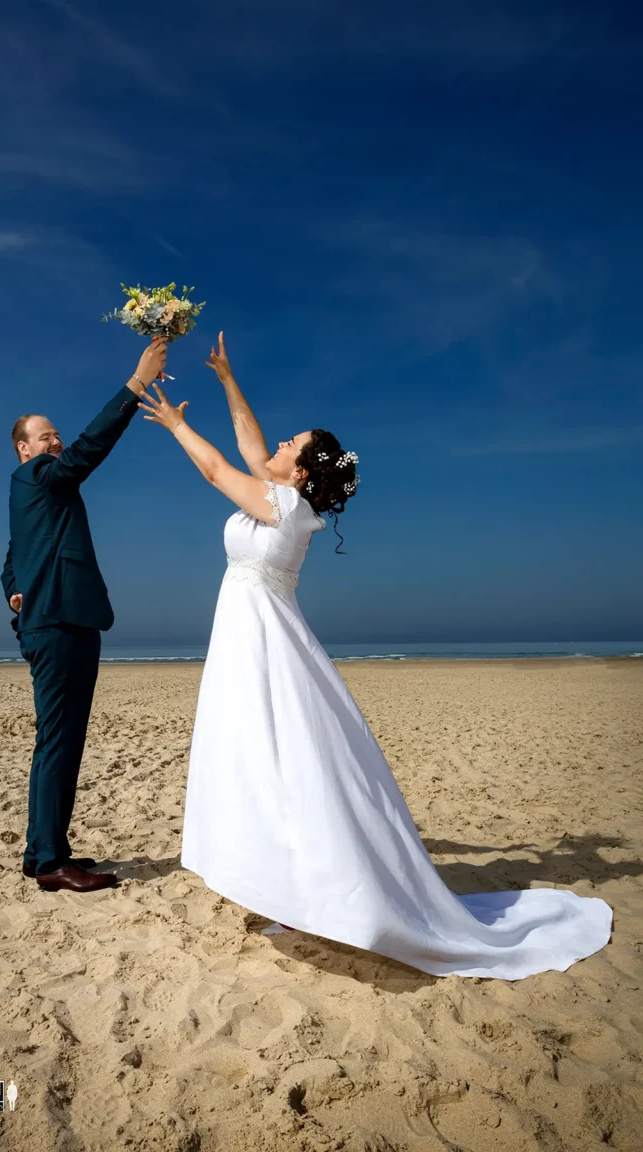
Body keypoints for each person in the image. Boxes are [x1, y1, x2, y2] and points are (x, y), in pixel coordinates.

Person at [138, 332, 613, 980]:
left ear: (300, 472)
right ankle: (291, 887)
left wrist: (172, 425)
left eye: (289, 447)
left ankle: (314, 893)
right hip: (253, 646)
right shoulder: (286, 498)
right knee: (267, 765)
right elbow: (250, 446)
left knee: (288, 767)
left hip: (266, 652)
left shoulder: (284, 507)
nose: (275, 447)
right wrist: (226, 378)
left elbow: (218, 468)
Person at [1, 337, 168, 892]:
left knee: (66, 739)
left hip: (62, 617)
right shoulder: (36, 476)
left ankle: (47, 850)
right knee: (56, 739)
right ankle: (48, 862)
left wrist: (12, 590)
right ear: (24, 450)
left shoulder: (37, 493)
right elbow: (85, 453)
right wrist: (136, 383)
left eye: (55, 433)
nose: (56, 439)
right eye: (45, 436)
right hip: (57, 625)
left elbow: (11, 555)